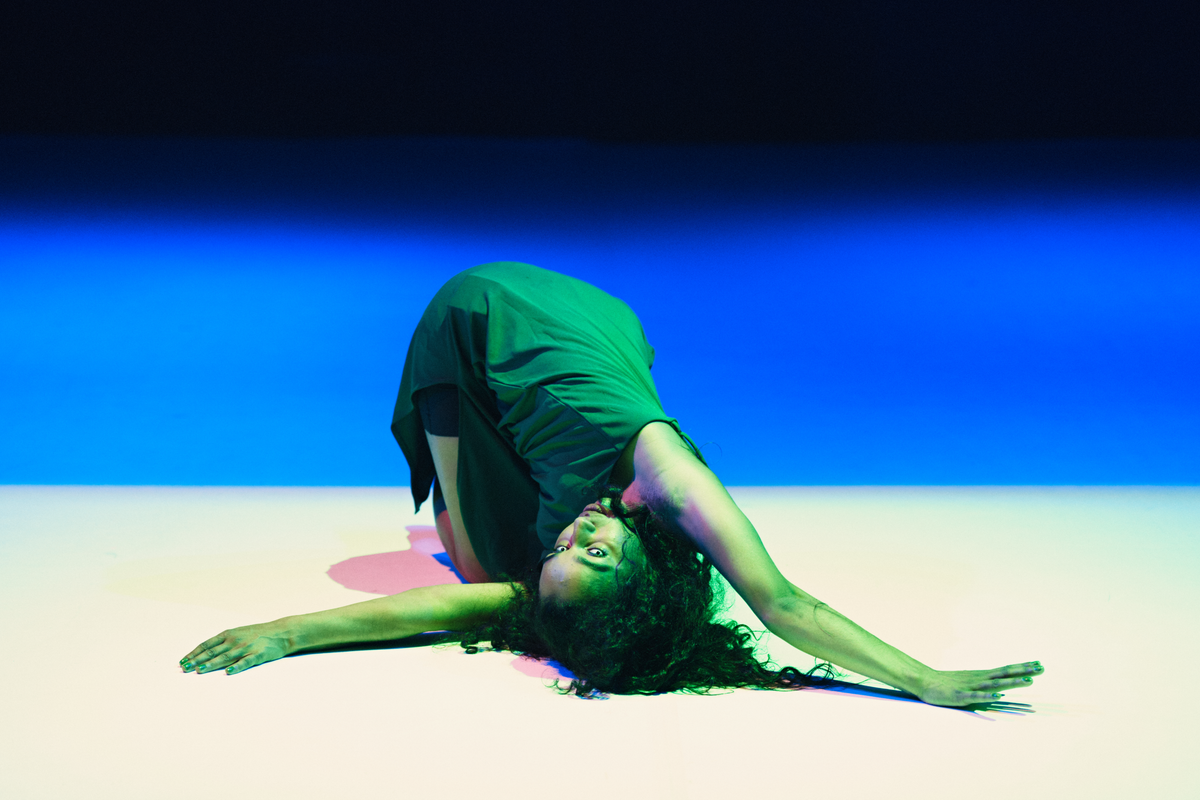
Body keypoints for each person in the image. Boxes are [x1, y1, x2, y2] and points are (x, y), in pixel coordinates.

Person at [181, 262, 1044, 704]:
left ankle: (468, 453)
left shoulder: (575, 557)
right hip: (512, 317)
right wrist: (923, 679)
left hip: (541, 318)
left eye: (563, 550)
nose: (576, 533)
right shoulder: (672, 482)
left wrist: (287, 631)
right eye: (593, 552)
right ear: (641, 585)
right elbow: (784, 605)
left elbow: (436, 609)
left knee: (483, 577)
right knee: (477, 559)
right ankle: (466, 451)